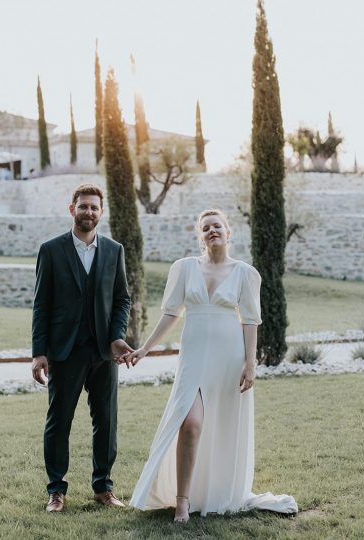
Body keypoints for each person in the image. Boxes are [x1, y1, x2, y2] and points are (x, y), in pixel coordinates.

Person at [124, 209, 297, 522]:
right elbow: (171, 314)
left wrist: (250, 364)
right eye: (206, 228)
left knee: (221, 427)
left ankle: (214, 490)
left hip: (228, 359)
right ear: (199, 236)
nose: (212, 231)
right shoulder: (184, 268)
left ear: (228, 232)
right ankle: (181, 501)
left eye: (217, 226)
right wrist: (144, 349)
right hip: (194, 358)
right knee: (190, 424)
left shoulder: (245, 273)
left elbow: (250, 321)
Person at [31, 183, 133, 513]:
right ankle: (56, 491)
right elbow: (41, 305)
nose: (89, 212)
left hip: (105, 353)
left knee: (106, 421)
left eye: (94, 207)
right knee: (59, 421)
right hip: (65, 351)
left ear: (101, 212)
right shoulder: (51, 249)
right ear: (71, 208)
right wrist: (39, 351)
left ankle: (103, 488)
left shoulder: (114, 250)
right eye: (83, 206)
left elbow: (121, 299)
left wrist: (117, 335)